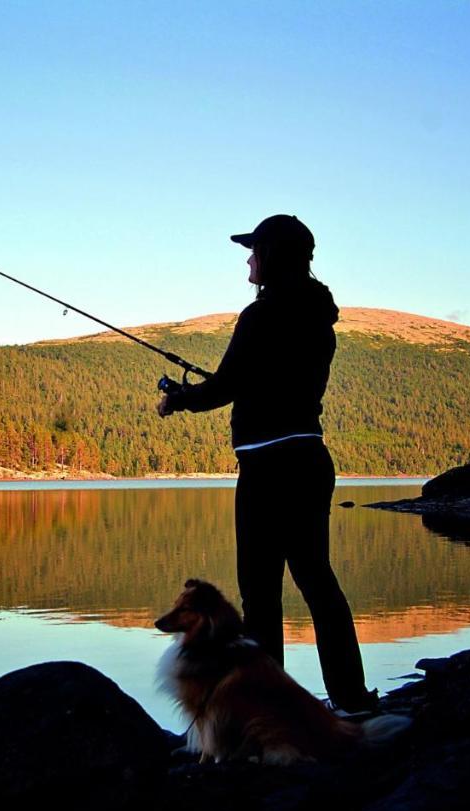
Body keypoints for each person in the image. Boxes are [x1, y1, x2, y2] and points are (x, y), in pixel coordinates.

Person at [156, 214, 378, 714]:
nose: (248, 258)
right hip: (309, 459)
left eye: (254, 249)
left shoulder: (260, 316)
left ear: (273, 255)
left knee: (260, 594)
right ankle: (352, 698)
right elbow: (255, 379)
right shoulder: (319, 319)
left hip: (266, 467)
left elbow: (226, 387)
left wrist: (178, 399)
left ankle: (266, 707)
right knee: (318, 582)